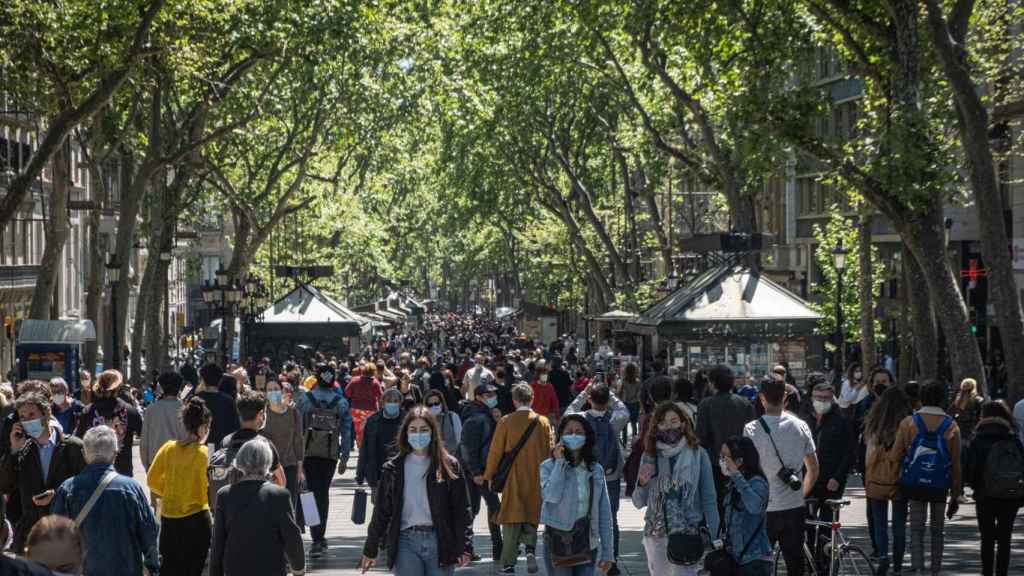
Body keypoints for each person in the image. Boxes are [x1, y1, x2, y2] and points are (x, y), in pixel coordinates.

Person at [360, 406, 473, 575]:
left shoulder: (449, 465)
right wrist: (371, 548)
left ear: (432, 432)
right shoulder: (393, 468)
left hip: (440, 540)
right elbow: (382, 511)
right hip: (406, 541)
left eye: (423, 430)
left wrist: (465, 545)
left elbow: (462, 508)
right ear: (406, 433)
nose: (418, 434)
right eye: (413, 430)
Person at [51, 426, 159, 576]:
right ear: (115, 453)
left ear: (84, 454)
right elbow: (149, 532)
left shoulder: (67, 489)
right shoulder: (131, 488)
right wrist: (151, 566)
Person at [632, 402, 720, 576]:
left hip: (687, 530)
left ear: (683, 423)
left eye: (673, 421)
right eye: (663, 422)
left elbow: (709, 498)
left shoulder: (698, 454)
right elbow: (638, 502)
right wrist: (642, 483)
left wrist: (715, 534)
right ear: (656, 427)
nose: (669, 426)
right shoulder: (650, 455)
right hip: (656, 531)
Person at [743, 376, 818, 576]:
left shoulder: (751, 430)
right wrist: (801, 494)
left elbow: (747, 473)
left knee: (759, 564)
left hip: (763, 508)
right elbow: (814, 468)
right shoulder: (800, 425)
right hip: (794, 507)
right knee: (795, 565)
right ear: (785, 396)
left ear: (761, 398)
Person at [0, 391, 86, 553]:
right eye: (23, 417)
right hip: (32, 534)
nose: (27, 421)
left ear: (47, 413)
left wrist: (59, 495)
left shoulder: (73, 447)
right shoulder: (22, 450)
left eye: (32, 414)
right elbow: (4, 486)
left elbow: (88, 487)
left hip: (66, 531)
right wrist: (13, 451)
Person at [892, 380, 962, 576]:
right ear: (943, 398)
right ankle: (935, 570)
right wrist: (956, 493)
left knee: (916, 529)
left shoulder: (909, 422)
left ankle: (918, 568)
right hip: (940, 484)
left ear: (921, 398)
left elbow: (896, 455)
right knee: (937, 530)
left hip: (914, 483)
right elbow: (956, 462)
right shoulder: (951, 425)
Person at [484, 383, 554, 574]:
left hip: (513, 477)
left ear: (514, 401)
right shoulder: (544, 422)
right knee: (531, 514)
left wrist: (489, 474)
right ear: (532, 399)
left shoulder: (506, 421)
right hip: (538, 475)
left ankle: (508, 563)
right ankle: (530, 549)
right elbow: (551, 450)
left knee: (511, 518)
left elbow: (495, 451)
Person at [210, 437, 305, 576]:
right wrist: (298, 570)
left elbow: (218, 544)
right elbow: (292, 537)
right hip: (271, 569)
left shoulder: (224, 495)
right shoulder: (279, 495)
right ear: (268, 462)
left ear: (240, 462)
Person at [564, 383, 628, 575]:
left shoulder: (581, 420)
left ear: (590, 400)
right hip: (611, 474)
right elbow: (623, 409)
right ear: (607, 401)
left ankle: (583, 556)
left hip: (586, 473)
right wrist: (612, 393)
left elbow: (569, 410)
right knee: (611, 518)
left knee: (583, 515)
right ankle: (612, 560)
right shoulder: (614, 419)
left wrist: (584, 392)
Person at [539, 414, 614, 575]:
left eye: (579, 432)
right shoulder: (548, 467)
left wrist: (608, 552)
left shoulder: (595, 469)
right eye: (569, 431)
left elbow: (604, 513)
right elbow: (550, 496)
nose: (574, 435)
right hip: (558, 543)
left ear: (587, 437)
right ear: (560, 437)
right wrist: (559, 464)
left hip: (587, 542)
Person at [147, 397, 213, 576]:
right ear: (203, 428)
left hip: (170, 519)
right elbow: (211, 487)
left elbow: (151, 479)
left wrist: (168, 491)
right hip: (198, 519)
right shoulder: (206, 454)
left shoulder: (168, 448)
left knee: (170, 569)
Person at [296, 363, 353, 558]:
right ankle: (320, 537)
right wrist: (345, 457)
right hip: (329, 454)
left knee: (310, 494)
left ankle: (315, 537)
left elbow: (297, 428)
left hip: (308, 453)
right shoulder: (341, 402)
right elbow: (347, 432)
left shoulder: (305, 400)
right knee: (323, 494)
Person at [963, 400, 1021, 576]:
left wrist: (972, 486)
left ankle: (986, 571)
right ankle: (1001, 572)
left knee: (987, 538)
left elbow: (969, 467)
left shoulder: (977, 438)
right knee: (1005, 538)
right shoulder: (1012, 437)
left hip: (984, 495)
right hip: (1010, 495)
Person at [863, 387, 914, 576]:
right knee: (899, 524)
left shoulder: (874, 422)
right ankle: (898, 565)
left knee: (880, 523)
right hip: (899, 478)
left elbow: (869, 453)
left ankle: (883, 556)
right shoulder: (908, 423)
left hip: (877, 478)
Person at [696, 365, 756, 511]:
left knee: (717, 505)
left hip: (714, 463)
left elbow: (701, 436)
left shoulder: (706, 404)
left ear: (713, 383)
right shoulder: (745, 403)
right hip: (742, 464)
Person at [458, 382, 503, 562]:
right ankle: (470, 548)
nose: (492, 397)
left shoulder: (486, 414)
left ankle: (496, 547)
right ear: (478, 397)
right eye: (488, 395)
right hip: (477, 471)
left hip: (483, 469)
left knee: (485, 508)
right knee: (477, 509)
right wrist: (476, 471)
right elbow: (468, 447)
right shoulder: (476, 417)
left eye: (493, 394)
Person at [719, 436, 772, 576]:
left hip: (755, 559)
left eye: (725, 457)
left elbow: (755, 507)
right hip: (736, 558)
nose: (722, 461)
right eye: (721, 455)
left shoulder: (757, 482)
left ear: (739, 461)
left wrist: (736, 476)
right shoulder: (732, 484)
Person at [73, 370, 142, 477]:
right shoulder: (130, 411)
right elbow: (141, 433)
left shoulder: (88, 411)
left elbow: (78, 439)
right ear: (118, 388)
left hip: (92, 473)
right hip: (122, 473)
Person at [805, 382, 854, 529]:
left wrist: (838, 477)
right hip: (809, 481)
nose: (822, 401)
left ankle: (825, 552)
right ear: (812, 398)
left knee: (828, 528)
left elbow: (849, 453)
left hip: (831, 483)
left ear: (832, 399)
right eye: (818, 397)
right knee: (808, 526)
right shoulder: (805, 419)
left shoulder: (842, 421)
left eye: (826, 398)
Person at [263, 378, 305, 521]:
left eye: (276, 389)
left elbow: (298, 442)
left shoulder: (293, 413)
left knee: (289, 506)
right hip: (268, 468)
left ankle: (290, 538)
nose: (273, 392)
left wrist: (300, 470)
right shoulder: (262, 415)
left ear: (282, 391)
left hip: (290, 465)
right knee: (271, 507)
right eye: (269, 389)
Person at [357, 387, 405, 495]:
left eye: (395, 401)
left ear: (400, 403)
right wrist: (360, 475)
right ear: (382, 402)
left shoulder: (407, 420)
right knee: (379, 509)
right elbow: (364, 448)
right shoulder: (372, 420)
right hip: (377, 473)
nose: (392, 404)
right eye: (389, 401)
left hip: (401, 474)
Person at [140, 371, 185, 471]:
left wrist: (147, 466)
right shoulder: (185, 409)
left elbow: (144, 442)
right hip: (179, 465)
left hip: (156, 463)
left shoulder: (151, 409)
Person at [196, 365, 240, 447]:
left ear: (203, 380)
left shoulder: (195, 399)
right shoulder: (228, 400)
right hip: (221, 447)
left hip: (199, 446)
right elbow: (235, 427)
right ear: (220, 380)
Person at [346, 363, 383, 446]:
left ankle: (361, 449)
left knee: (358, 431)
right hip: (371, 410)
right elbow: (381, 396)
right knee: (371, 430)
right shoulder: (375, 382)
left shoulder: (354, 380)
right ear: (373, 372)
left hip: (356, 409)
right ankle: (369, 448)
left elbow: (347, 392)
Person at [424, 389, 461, 456]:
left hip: (451, 458)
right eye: (430, 405)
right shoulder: (424, 421)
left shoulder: (452, 417)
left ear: (441, 403)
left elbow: (460, 441)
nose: (433, 406)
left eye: (436, 403)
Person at [618, 363, 642, 443]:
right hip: (635, 404)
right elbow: (639, 395)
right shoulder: (638, 382)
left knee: (624, 425)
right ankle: (634, 443)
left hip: (625, 404)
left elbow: (620, 394)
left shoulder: (623, 382)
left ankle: (624, 443)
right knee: (634, 424)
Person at [530, 360, 560, 424]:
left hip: (542, 419)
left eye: (545, 372)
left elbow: (555, 403)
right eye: (543, 372)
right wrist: (557, 417)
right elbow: (555, 403)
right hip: (536, 419)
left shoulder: (549, 387)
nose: (545, 374)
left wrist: (557, 416)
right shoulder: (533, 386)